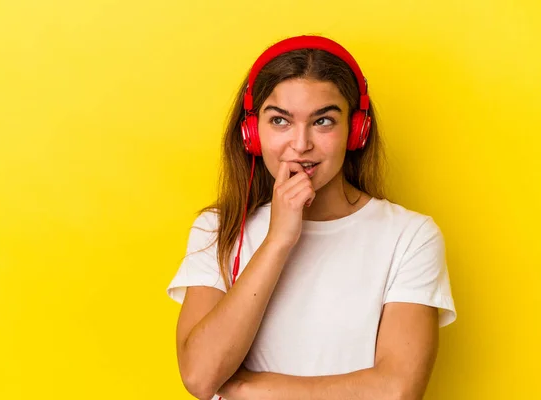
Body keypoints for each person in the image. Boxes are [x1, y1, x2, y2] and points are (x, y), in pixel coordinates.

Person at [166, 35, 457, 400]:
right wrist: (278, 241)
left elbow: (396, 391)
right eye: (280, 121)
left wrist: (242, 387)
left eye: (323, 121)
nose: (301, 144)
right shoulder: (217, 228)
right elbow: (200, 375)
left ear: (356, 130)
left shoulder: (410, 236)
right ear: (252, 133)